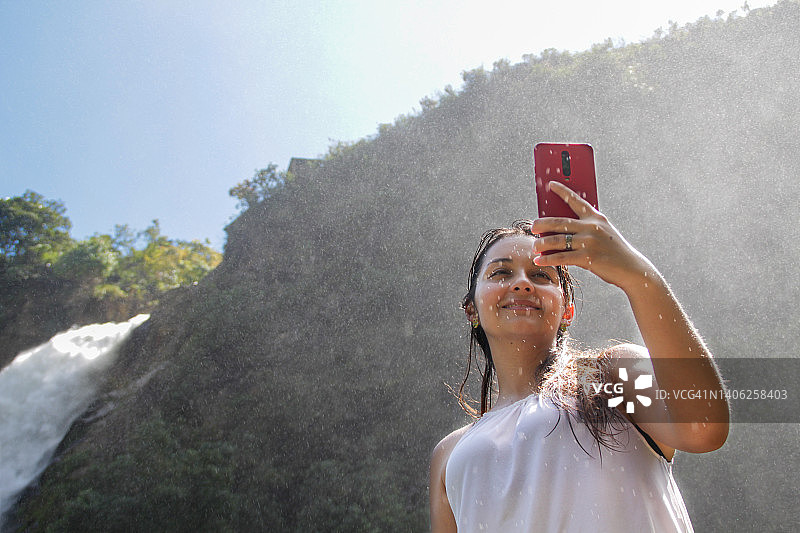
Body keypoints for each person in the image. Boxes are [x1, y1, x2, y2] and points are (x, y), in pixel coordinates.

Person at [429, 181, 729, 532]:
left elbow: (704, 427)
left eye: (542, 275)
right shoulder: (450, 454)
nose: (522, 283)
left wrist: (639, 277)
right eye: (501, 272)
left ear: (567, 310)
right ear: (471, 309)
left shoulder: (610, 375)